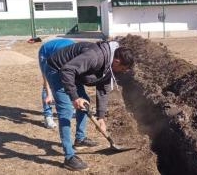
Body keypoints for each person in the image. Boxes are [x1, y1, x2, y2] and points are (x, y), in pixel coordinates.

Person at [41, 39, 134, 171]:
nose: (122, 71)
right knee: (66, 110)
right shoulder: (96, 56)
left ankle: (80, 139)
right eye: (123, 68)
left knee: (85, 101)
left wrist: (101, 118)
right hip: (57, 69)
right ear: (117, 61)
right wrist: (74, 97)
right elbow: (67, 70)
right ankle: (69, 157)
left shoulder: (110, 64)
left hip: (73, 73)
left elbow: (103, 89)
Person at [39, 39, 74, 129]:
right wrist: (49, 95)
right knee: (48, 81)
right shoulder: (58, 57)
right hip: (46, 52)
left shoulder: (77, 58)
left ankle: (70, 108)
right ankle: (48, 117)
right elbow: (46, 78)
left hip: (62, 52)